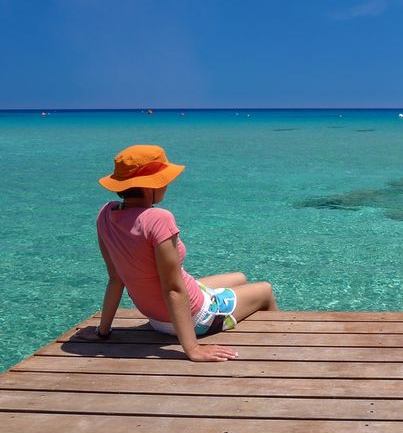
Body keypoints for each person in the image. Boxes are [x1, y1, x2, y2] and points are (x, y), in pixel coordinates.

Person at [76, 144, 277, 362]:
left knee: (240, 277)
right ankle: (281, 346)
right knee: (265, 290)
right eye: (164, 179)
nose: (168, 185)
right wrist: (193, 349)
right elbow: (173, 289)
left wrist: (102, 332)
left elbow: (116, 279)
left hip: (156, 318)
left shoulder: (105, 214)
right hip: (197, 318)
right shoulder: (158, 219)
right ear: (149, 186)